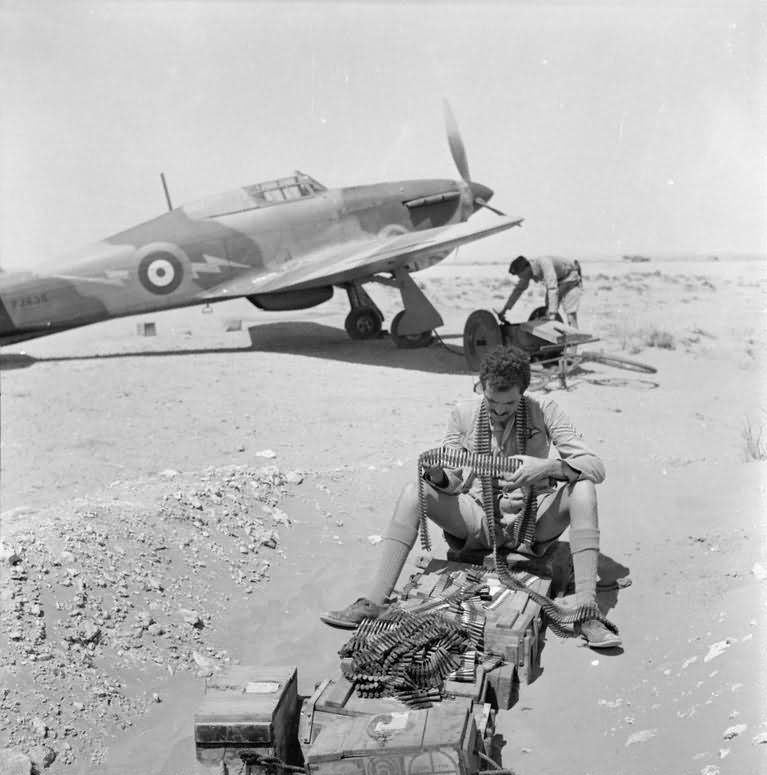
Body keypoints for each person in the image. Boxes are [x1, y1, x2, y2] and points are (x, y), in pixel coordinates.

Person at [320, 346, 621, 649]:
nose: (500, 412)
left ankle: (586, 611)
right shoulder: (463, 413)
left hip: (533, 520)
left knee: (583, 489)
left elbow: (595, 467)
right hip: (478, 519)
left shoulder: (546, 410)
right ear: (481, 388)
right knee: (415, 492)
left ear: (524, 393)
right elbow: (451, 481)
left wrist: (546, 467)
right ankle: (374, 601)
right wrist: (437, 475)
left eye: (510, 404)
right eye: (492, 403)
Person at [500, 255, 583, 328]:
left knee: (570, 315)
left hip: (570, 278)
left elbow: (552, 288)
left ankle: (574, 342)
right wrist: (504, 310)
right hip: (558, 281)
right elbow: (517, 291)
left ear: (526, 269)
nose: (519, 277)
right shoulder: (527, 274)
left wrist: (551, 315)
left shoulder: (544, 263)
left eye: (519, 274)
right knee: (548, 307)